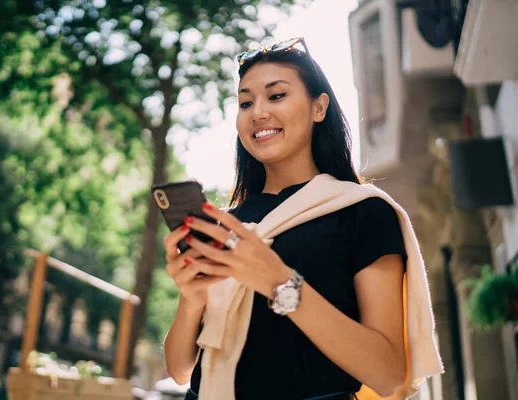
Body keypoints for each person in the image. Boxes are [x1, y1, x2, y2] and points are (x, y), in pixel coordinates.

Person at [162, 38, 434, 400]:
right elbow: (180, 371)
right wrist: (191, 299)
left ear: (318, 107)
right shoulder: (226, 224)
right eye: (246, 102)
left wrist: (279, 282)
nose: (258, 112)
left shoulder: (362, 211)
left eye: (276, 96)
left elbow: (388, 375)